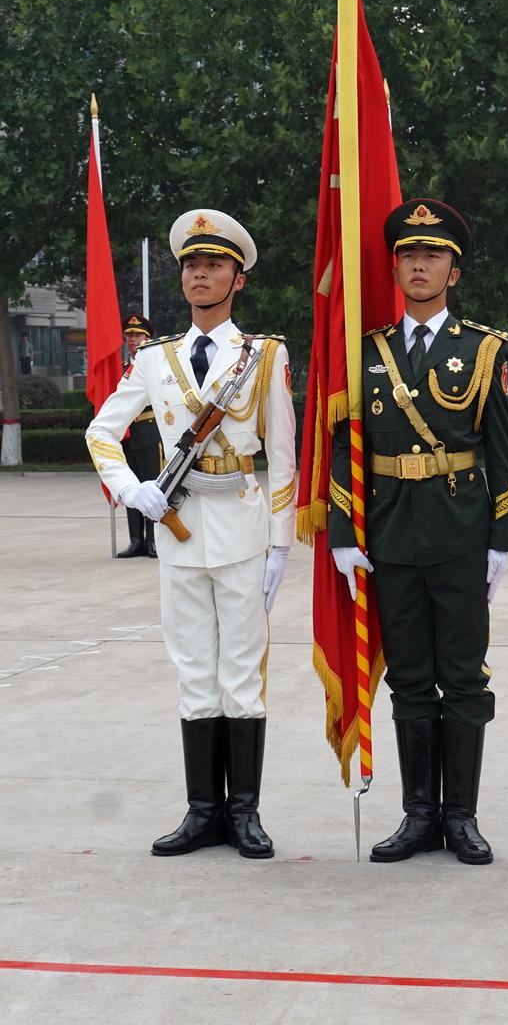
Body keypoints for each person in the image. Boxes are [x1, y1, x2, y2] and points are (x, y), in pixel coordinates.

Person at [85, 210, 296, 859]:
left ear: (239, 279)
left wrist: (280, 546)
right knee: (193, 675)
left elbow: (284, 459)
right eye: (191, 266)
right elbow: (101, 431)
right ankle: (202, 812)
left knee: (240, 677)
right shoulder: (156, 360)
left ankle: (245, 814)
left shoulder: (263, 357)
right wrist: (131, 490)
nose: (200, 275)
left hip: (240, 527)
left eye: (214, 266)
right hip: (178, 533)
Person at [328, 199, 508, 866]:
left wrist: (501, 540)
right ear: (396, 267)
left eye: (432, 255)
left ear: (453, 272)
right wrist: (342, 532)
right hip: (389, 536)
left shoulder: (484, 349)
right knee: (409, 677)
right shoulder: (366, 350)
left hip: (462, 530)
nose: (418, 264)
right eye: (408, 254)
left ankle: (461, 817)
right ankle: (417, 816)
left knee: (463, 677)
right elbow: (342, 442)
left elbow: (500, 452)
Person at [116, 314, 162, 558]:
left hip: (148, 430)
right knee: (130, 486)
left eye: (138, 335)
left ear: (148, 338)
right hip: (127, 434)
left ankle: (154, 540)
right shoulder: (121, 369)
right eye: (129, 336)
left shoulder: (155, 367)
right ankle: (136, 541)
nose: (133, 340)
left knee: (151, 486)